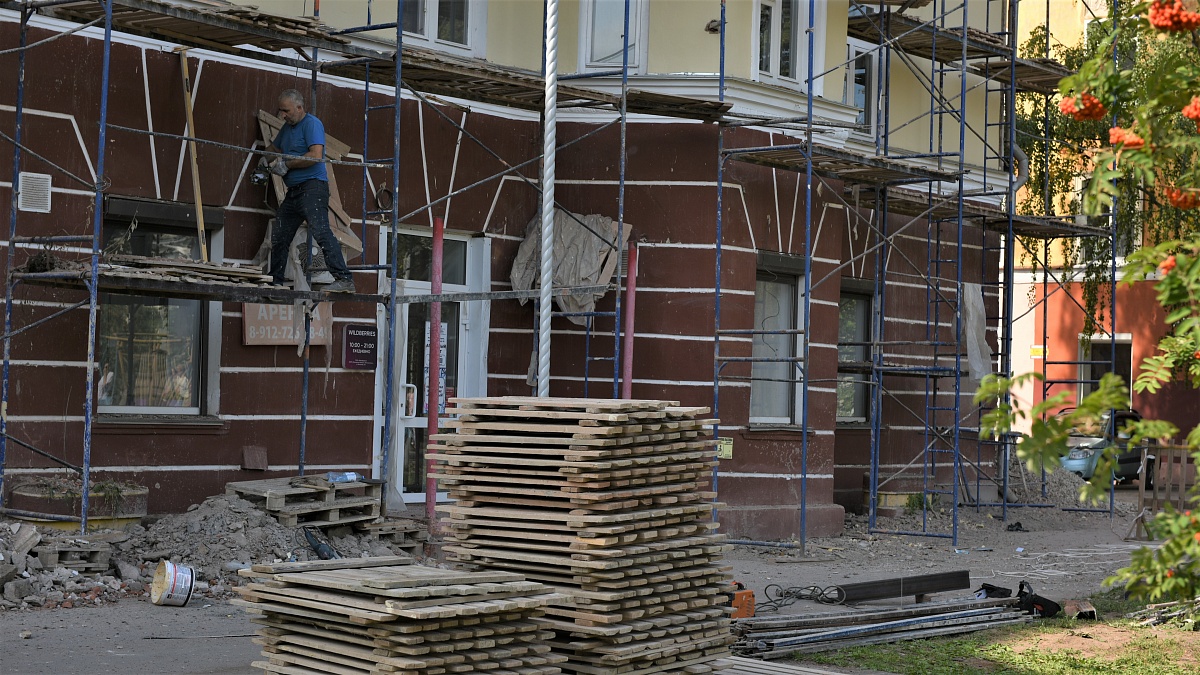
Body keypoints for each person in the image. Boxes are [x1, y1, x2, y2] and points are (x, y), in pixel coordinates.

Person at [265, 89, 355, 293]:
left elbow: (315, 156)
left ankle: (344, 279)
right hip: (295, 191)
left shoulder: (312, 124)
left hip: (313, 188)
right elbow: (273, 150)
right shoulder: (287, 129)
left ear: (299, 107)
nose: (282, 115)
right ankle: (275, 283)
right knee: (279, 235)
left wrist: (287, 165)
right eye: (280, 111)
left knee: (321, 231)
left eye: (286, 110)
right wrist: (261, 160)